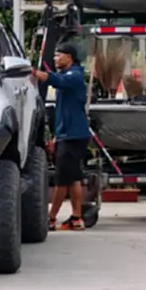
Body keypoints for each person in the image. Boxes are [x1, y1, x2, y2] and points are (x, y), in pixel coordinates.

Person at [33, 42, 91, 231]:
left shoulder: (74, 76)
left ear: (69, 57)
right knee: (73, 178)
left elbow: (55, 80)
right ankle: (76, 218)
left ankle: (50, 218)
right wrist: (56, 137)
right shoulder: (68, 75)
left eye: (59, 55)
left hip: (73, 136)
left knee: (62, 180)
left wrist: (32, 72)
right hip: (68, 135)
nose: (55, 58)